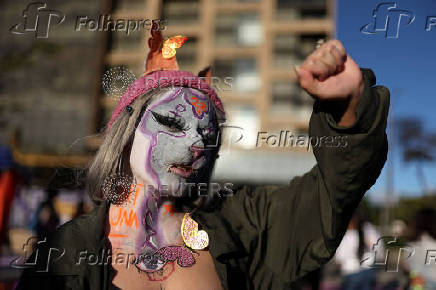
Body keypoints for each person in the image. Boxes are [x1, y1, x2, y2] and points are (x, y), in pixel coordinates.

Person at [17, 23, 390, 290]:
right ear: (127, 133)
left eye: (208, 136)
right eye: (171, 122)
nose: (196, 141)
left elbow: (333, 192)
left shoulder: (243, 227)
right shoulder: (62, 254)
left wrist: (350, 107)